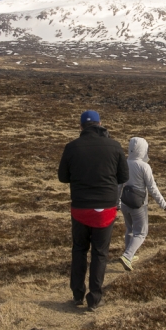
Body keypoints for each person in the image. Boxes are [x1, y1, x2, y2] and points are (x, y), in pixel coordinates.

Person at [58, 110, 129, 311]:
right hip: (106, 207)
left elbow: (63, 177)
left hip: (80, 207)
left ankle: (77, 294)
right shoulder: (114, 146)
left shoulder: (72, 147)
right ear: (100, 124)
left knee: (79, 249)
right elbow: (123, 176)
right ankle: (95, 298)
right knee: (100, 252)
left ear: (80, 126)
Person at [118, 137, 166, 272]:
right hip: (139, 204)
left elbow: (119, 184)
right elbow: (152, 188)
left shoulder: (124, 163)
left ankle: (129, 253)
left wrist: (117, 202)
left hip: (124, 202)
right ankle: (128, 256)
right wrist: (163, 204)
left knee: (129, 229)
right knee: (141, 232)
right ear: (143, 150)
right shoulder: (144, 166)